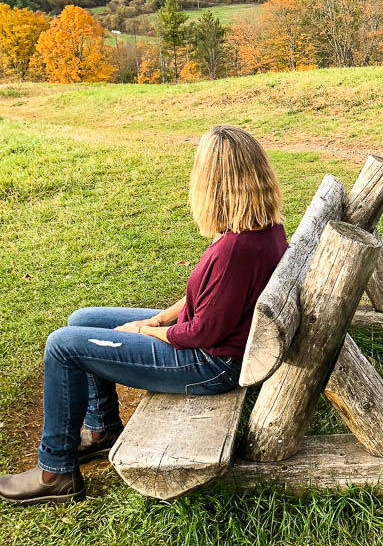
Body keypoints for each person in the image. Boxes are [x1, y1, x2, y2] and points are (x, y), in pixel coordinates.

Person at [0, 125, 287, 505]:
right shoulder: (261, 229)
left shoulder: (235, 248)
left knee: (62, 346)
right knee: (82, 319)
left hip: (212, 364)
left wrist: (145, 331)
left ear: (214, 181)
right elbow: (210, 298)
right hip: (221, 344)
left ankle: (55, 473)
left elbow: (203, 332)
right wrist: (159, 318)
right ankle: (101, 430)